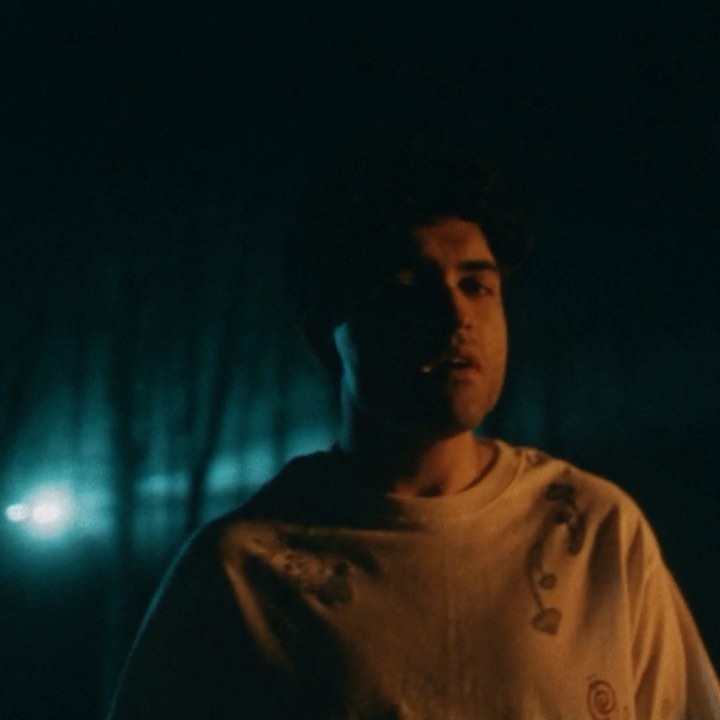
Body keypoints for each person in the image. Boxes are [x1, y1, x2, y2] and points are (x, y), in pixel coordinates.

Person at [107, 145, 720, 719]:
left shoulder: (594, 532)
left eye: (476, 285)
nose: (455, 315)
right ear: (327, 333)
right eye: (408, 287)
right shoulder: (241, 573)